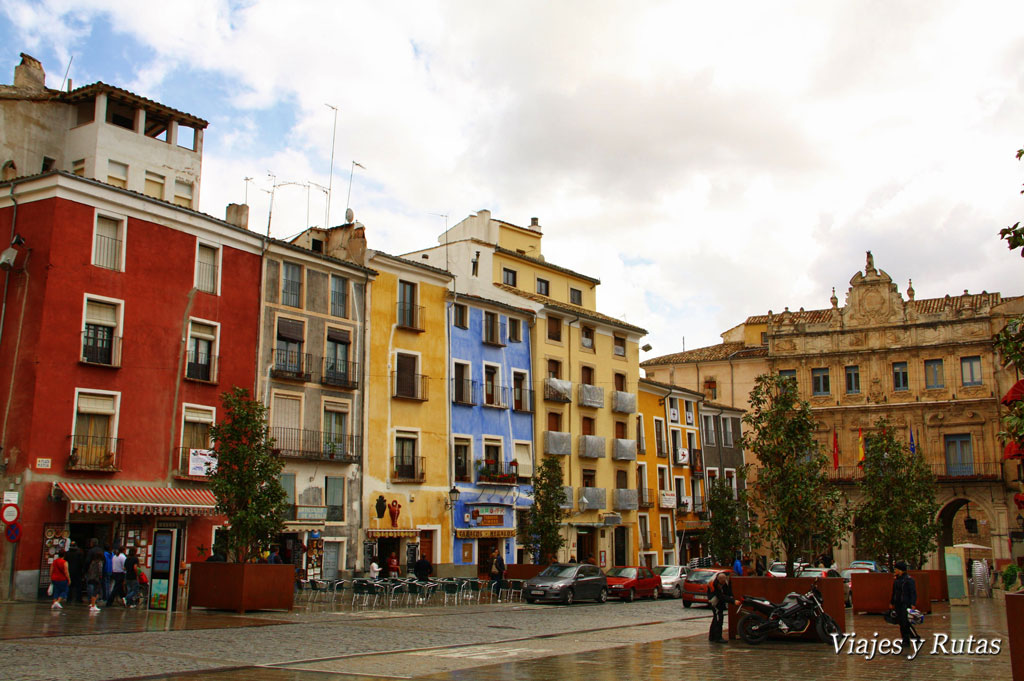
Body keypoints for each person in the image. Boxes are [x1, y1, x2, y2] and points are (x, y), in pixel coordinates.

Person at [890, 561, 918, 652]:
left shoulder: (908, 580)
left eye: (896, 569)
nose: (895, 571)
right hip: (898, 604)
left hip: (905, 604)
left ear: (901, 570)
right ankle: (911, 638)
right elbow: (894, 592)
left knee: (905, 623)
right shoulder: (897, 580)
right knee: (902, 623)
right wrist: (892, 602)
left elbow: (913, 592)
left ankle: (907, 640)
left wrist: (913, 603)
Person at [709, 571, 737, 644]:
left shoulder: (726, 581)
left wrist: (731, 598)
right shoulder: (715, 584)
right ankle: (718, 637)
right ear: (719, 580)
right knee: (719, 618)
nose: (723, 583)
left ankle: (712, 636)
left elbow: (728, 591)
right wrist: (733, 601)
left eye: (724, 581)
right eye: (722, 582)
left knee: (716, 617)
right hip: (714, 600)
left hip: (719, 600)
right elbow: (720, 596)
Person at [85, 538, 105, 612]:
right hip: (97, 577)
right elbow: (100, 570)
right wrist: (101, 576)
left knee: (90, 588)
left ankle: (91, 602)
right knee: (96, 590)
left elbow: (88, 564)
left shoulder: (92, 561)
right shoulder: (100, 562)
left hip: (91, 576)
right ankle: (93, 604)